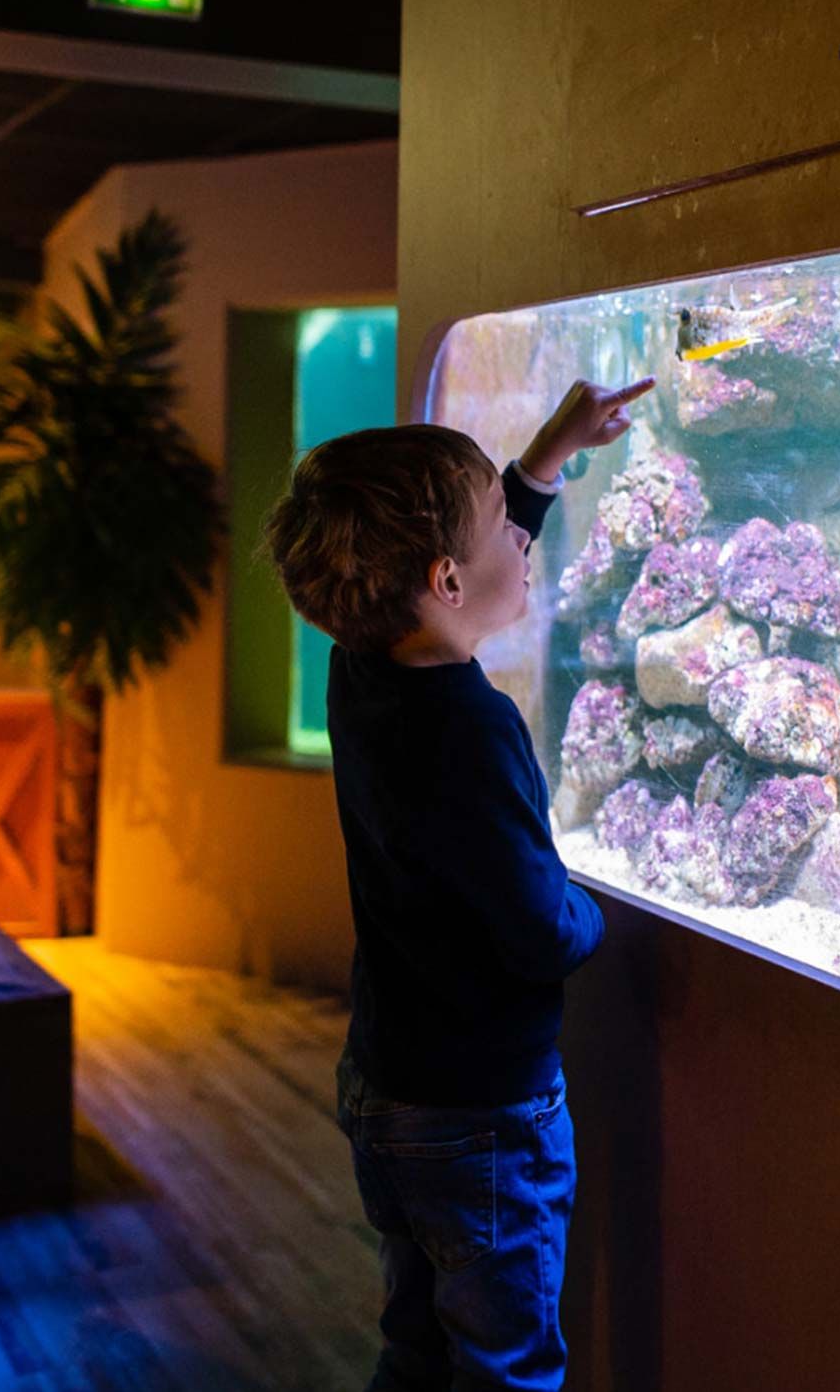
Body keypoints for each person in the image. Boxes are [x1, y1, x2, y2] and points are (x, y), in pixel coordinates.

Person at [263, 376, 651, 1391]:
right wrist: (598, 910)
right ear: (442, 581)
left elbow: (468, 560)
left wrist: (541, 464)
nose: (522, 543)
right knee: (503, 1366)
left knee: (417, 1343)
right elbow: (536, 925)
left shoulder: (363, 663)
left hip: (390, 1088)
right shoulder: (469, 730)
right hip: (484, 1116)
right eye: (503, 530)